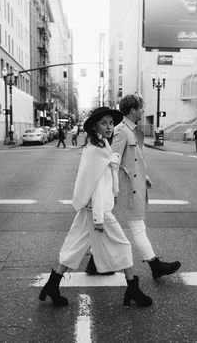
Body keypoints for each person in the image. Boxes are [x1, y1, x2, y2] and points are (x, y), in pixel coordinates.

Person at [39, 107, 152, 308]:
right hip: (98, 211)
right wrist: (99, 218)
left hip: (88, 210)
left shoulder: (97, 146)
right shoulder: (98, 150)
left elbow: (100, 172)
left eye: (111, 123)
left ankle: (52, 285)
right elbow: (97, 187)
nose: (109, 127)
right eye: (104, 123)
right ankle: (132, 289)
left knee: (74, 247)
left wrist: (114, 161)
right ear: (95, 126)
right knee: (123, 246)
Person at [85, 94, 181, 279]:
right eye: (140, 107)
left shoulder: (130, 130)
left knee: (112, 225)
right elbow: (111, 159)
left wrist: (143, 175)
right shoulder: (121, 131)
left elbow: (131, 159)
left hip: (132, 186)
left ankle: (94, 262)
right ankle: (155, 266)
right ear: (132, 110)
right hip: (126, 189)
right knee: (136, 227)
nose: (142, 111)